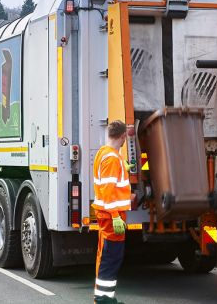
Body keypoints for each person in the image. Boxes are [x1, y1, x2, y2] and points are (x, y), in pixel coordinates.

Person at [91, 120, 131, 304]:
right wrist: (116, 216)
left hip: (105, 214)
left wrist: (124, 169)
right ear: (123, 136)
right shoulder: (112, 159)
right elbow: (108, 193)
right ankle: (103, 300)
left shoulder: (104, 152)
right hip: (111, 215)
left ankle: (103, 297)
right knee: (112, 256)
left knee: (104, 254)